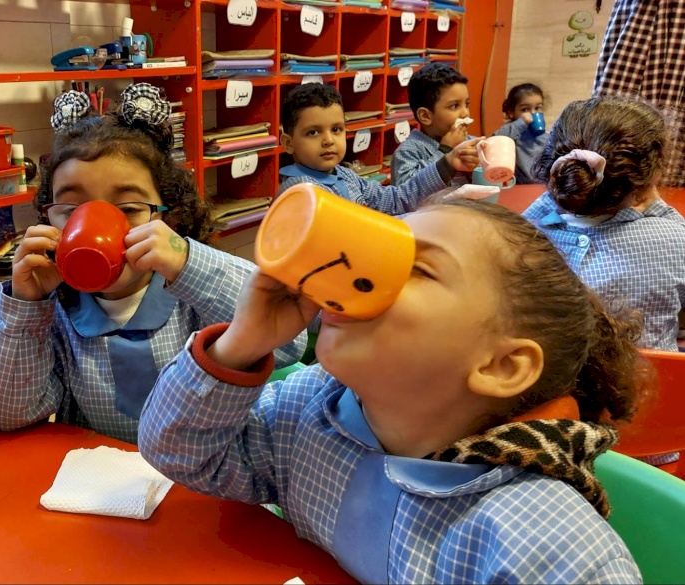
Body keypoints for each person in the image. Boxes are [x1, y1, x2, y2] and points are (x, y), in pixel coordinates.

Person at [139, 197, 646, 583]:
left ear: (502, 365)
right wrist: (239, 344)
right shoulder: (314, 410)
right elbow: (180, 453)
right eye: (384, 250)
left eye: (417, 268)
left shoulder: (547, 544)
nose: (367, 275)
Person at [0, 84, 306, 444]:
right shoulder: (54, 308)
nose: (95, 224)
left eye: (130, 209)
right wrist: (25, 306)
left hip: (204, 473)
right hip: (101, 481)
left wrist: (189, 264)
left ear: (169, 216)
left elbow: (289, 341)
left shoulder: (190, 293)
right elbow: (9, 413)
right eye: (72, 211)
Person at [524, 96, 685, 353]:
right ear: (648, 181)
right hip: (653, 385)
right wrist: (655, 203)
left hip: (551, 386)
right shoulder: (675, 240)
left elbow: (527, 219)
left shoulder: (523, 241)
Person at [280, 83, 479, 211]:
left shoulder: (344, 174)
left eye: (336, 129)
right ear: (289, 143)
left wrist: (447, 163)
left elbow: (395, 199)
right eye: (313, 132)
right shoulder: (302, 190)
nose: (328, 140)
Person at [391, 63, 473, 186]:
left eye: (466, 104)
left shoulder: (470, 143)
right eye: (454, 106)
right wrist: (445, 151)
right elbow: (406, 193)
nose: (465, 113)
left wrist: (477, 168)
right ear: (425, 116)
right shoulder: (408, 152)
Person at [494, 83, 548, 184]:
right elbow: (496, 139)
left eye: (537, 108)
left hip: (544, 184)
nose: (532, 113)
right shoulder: (512, 131)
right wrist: (521, 123)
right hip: (522, 185)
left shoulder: (545, 135)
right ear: (511, 112)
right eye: (525, 109)